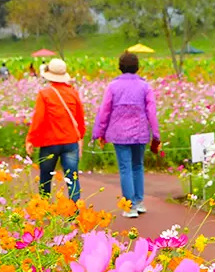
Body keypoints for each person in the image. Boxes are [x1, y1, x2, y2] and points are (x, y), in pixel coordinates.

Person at [93, 52, 160, 218]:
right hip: (140, 133)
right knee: (138, 166)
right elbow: (151, 111)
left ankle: (129, 206)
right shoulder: (145, 86)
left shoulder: (113, 86)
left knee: (125, 168)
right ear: (137, 67)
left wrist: (99, 133)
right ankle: (139, 201)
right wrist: (156, 135)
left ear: (120, 67)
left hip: (119, 133)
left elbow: (105, 111)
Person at [25, 58, 86, 203]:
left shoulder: (44, 94)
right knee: (72, 178)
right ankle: (74, 210)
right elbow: (80, 119)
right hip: (70, 141)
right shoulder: (73, 93)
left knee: (46, 176)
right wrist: (80, 138)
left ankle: (44, 208)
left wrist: (30, 140)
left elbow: (38, 119)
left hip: (49, 142)